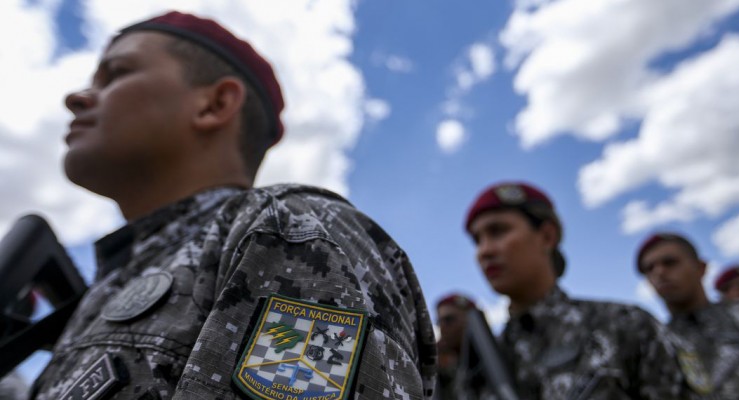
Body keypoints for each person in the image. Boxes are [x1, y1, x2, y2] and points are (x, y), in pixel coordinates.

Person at [31, 10, 436, 400]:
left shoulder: (285, 227)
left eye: (115, 74)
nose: (76, 98)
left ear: (215, 104)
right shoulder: (107, 288)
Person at [461, 181, 685, 399]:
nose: (484, 251)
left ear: (547, 236)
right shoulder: (482, 365)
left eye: (498, 231)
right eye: (477, 240)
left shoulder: (624, 326)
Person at [636, 232, 739, 399]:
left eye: (670, 262)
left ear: (701, 267)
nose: (659, 272)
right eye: (649, 269)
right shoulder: (658, 345)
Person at [433, 293, 477, 400]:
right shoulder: (447, 370)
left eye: (449, 320)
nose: (442, 327)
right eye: (439, 322)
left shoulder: (496, 354)